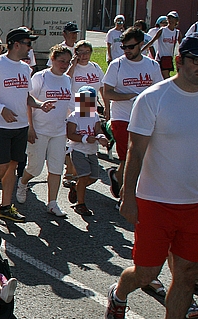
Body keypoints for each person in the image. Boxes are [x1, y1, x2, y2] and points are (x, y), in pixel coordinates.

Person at [106, 32, 198, 319]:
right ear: (179, 60)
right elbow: (135, 151)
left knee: (186, 273)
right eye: (197, 60)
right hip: (154, 201)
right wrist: (128, 196)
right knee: (146, 272)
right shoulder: (154, 98)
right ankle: (119, 294)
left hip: (196, 202)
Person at [0, 27, 56, 223]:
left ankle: (5, 207)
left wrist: (39, 105)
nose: (30, 48)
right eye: (28, 44)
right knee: (1, 165)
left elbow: (26, 96)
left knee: (12, 166)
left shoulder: (24, 68)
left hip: (19, 126)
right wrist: (1, 108)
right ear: (16, 44)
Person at [103, 27, 163, 202]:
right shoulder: (117, 65)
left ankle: (117, 178)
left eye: (130, 47)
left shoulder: (152, 65)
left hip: (146, 119)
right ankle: (125, 197)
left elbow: (159, 92)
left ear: (141, 44)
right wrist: (129, 96)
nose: (127, 51)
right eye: (124, 47)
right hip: (122, 118)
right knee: (127, 159)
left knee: (142, 158)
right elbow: (107, 93)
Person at [16, 44, 72, 217]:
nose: (64, 65)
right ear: (52, 59)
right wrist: (30, 128)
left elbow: (71, 105)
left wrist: (86, 120)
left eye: (68, 62)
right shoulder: (41, 77)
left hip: (59, 131)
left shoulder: (67, 79)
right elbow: (28, 102)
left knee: (56, 168)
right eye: (61, 61)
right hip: (39, 130)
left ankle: (52, 203)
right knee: (35, 168)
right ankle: (23, 182)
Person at [65, 86, 108, 216]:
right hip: (78, 151)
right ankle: (80, 204)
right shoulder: (74, 116)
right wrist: (84, 138)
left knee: (93, 177)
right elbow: (70, 135)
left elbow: (98, 130)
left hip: (92, 151)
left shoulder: (94, 116)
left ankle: (76, 188)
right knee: (83, 177)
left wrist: (102, 137)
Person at [143, 11, 182, 78]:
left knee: (165, 77)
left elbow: (181, 46)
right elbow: (151, 42)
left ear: (177, 20)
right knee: (160, 77)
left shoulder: (177, 33)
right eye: (169, 18)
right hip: (160, 58)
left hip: (169, 59)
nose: (171, 20)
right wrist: (141, 51)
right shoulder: (162, 30)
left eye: (173, 18)